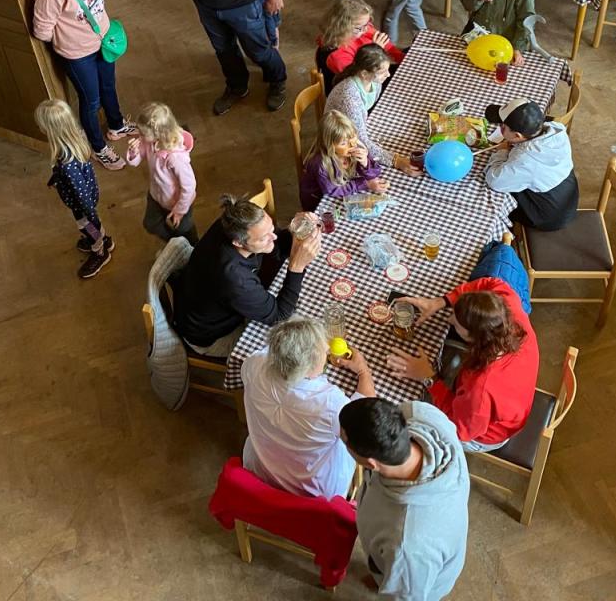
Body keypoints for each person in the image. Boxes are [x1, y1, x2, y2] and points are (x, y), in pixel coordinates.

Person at [387, 276, 539, 452]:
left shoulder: (481, 388)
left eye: (456, 322)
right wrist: (441, 302)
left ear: (475, 337)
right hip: (508, 402)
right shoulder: (507, 307)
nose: (450, 320)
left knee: (407, 417)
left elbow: (459, 430)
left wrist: (428, 377)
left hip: (485, 434)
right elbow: (493, 283)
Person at [338, 397, 469, 601]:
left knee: (393, 580)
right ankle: (381, 575)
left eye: (344, 441)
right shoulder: (421, 413)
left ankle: (384, 577)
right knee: (387, 573)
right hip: (393, 562)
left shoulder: (407, 546)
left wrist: (391, 578)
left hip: (417, 582)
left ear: (371, 463)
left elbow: (405, 596)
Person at [31, 0, 134, 170]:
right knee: (91, 101)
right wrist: (69, 37)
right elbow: (41, 30)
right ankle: (98, 148)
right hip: (77, 54)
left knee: (108, 86)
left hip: (104, 41)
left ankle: (117, 125)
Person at [169, 194, 321, 358]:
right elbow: (279, 316)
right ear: (238, 243)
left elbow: (275, 247)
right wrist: (296, 267)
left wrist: (295, 232)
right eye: (263, 238)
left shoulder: (231, 223)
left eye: (271, 229)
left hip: (207, 302)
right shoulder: (234, 278)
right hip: (212, 336)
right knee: (293, 348)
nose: (274, 237)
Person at [241, 317, 375, 500]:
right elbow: (365, 413)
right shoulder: (330, 403)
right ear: (309, 368)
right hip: (311, 491)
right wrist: (363, 371)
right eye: (324, 352)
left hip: (259, 467)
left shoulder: (254, 363)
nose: (327, 350)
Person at [34, 99, 114, 278]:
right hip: (86, 199)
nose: (40, 129)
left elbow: (81, 193)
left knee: (88, 227)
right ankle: (103, 239)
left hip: (82, 206)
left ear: (51, 131)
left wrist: (90, 215)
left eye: (42, 126)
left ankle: (100, 251)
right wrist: (56, 179)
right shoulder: (73, 143)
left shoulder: (67, 164)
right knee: (91, 225)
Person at [483, 99, 578, 231]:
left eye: (502, 127)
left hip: (549, 215)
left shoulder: (526, 160)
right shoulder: (556, 129)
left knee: (490, 207)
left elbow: (494, 181)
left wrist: (502, 151)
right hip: (568, 196)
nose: (500, 128)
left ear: (518, 135)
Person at [325, 44, 410, 171]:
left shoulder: (374, 83)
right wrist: (395, 160)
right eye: (382, 72)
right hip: (339, 143)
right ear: (364, 74)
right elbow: (360, 141)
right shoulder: (349, 97)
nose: (388, 75)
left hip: (356, 127)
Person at [125, 101, 199, 245]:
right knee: (150, 224)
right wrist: (134, 152)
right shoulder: (149, 141)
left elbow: (189, 186)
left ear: (159, 134)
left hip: (179, 203)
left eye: (143, 133)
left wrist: (179, 210)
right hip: (156, 196)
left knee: (184, 231)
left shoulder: (175, 158)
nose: (139, 135)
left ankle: (191, 249)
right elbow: (135, 162)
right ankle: (174, 244)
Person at [299, 110, 388, 211]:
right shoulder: (321, 165)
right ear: (330, 146)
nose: (352, 145)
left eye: (353, 137)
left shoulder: (353, 147)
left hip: (342, 183)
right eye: (343, 143)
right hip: (316, 200)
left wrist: (365, 163)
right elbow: (333, 190)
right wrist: (365, 183)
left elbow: (375, 172)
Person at [317, 0, 403, 90]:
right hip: (353, 88)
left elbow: (388, 46)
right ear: (342, 27)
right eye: (360, 27)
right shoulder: (336, 57)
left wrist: (402, 59)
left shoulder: (362, 29)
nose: (366, 29)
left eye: (367, 23)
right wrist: (375, 51)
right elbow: (358, 78)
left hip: (373, 71)